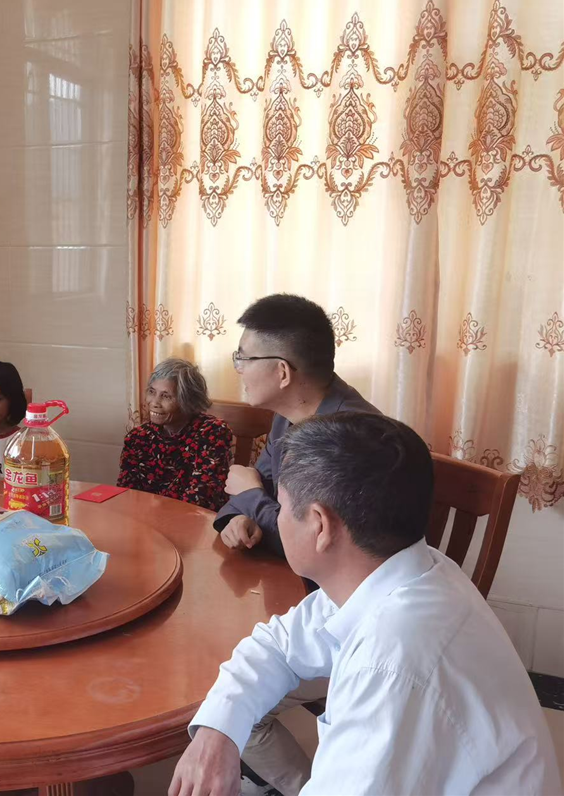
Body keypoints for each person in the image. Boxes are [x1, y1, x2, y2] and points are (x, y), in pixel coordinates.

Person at [171, 413, 561, 796]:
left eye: (281, 505)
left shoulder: (392, 665)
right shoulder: (404, 571)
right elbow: (276, 644)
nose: (277, 517)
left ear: (320, 525)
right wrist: (216, 731)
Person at [214, 294, 379, 556]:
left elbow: (313, 543)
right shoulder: (288, 413)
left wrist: (250, 495)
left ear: (282, 372)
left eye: (244, 359)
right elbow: (257, 485)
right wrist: (239, 519)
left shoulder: (350, 440)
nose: (238, 369)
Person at [118, 357, 233, 511]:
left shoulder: (212, 432)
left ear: (188, 401)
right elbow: (127, 494)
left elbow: (203, 498)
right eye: (152, 392)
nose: (154, 402)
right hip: (145, 518)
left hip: (195, 519)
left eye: (166, 396)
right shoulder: (137, 438)